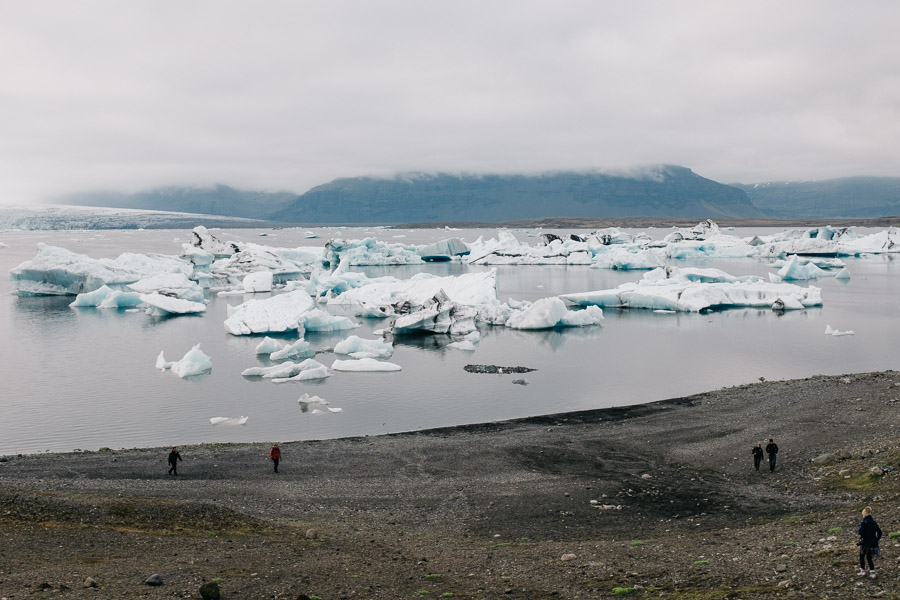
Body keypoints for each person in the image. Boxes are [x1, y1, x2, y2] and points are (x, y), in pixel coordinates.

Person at [858, 506, 882, 578]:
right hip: (873, 544)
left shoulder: (864, 523)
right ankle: (872, 572)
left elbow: (860, 532)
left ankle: (863, 571)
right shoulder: (874, 523)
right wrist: (876, 539)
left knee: (861, 556)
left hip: (865, 543)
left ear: (864, 515)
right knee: (869, 558)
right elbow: (880, 532)